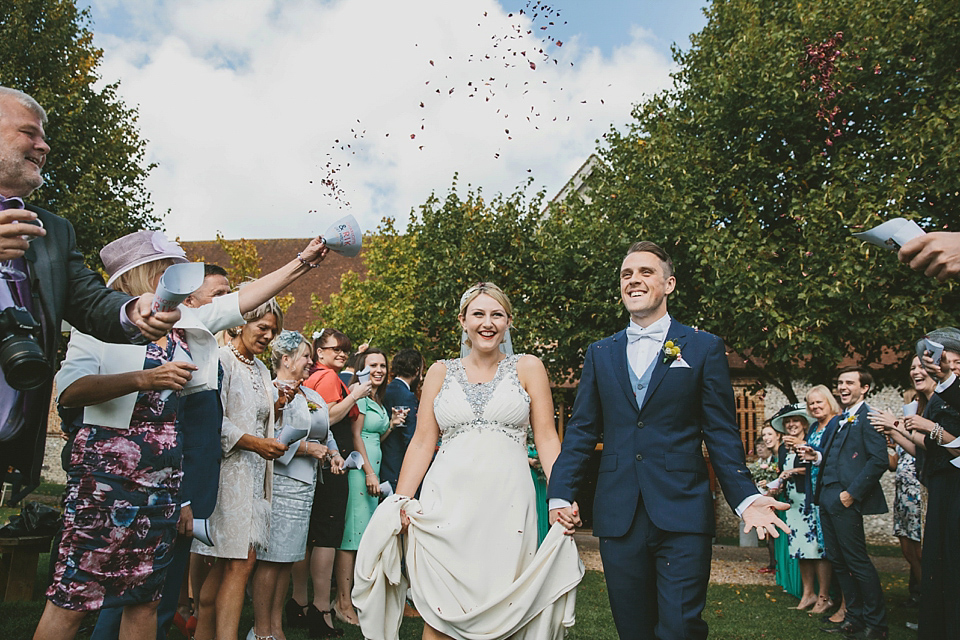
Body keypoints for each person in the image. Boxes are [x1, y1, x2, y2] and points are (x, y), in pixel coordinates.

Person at [547, 241, 787, 640]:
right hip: (618, 512)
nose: (634, 280)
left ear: (669, 283)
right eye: (627, 274)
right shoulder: (600, 353)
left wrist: (745, 498)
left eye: (645, 272)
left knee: (680, 626)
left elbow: (722, 432)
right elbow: (583, 430)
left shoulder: (703, 346)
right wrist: (560, 494)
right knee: (633, 629)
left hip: (683, 510)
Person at [32, 239, 244, 640]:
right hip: (107, 482)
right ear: (141, 275)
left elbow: (239, 301)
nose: (173, 279)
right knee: (74, 599)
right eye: (165, 268)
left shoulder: (179, 326)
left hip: (161, 484)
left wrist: (306, 260)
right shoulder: (94, 325)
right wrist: (145, 378)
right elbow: (69, 390)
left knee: (146, 601)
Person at [353, 282, 583, 640]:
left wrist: (561, 496)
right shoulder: (440, 372)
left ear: (508, 321)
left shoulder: (528, 367)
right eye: (478, 314)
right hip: (446, 504)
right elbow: (422, 441)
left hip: (507, 504)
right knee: (441, 614)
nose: (487, 323)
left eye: (496, 314)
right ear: (463, 321)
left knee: (501, 609)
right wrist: (401, 499)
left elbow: (548, 438)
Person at [0, 86, 180, 492]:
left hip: (9, 442)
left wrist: (135, 311)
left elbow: (89, 300)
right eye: (30, 132)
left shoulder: (53, 231)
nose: (43, 145)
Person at [89, 265, 233, 640]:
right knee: (134, 595)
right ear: (191, 301)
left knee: (162, 598)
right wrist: (182, 497)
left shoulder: (200, 345)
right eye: (218, 294)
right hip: (163, 487)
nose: (226, 303)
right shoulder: (159, 347)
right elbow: (173, 426)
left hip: (191, 486)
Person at [191, 298, 289, 640]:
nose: (267, 336)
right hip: (227, 475)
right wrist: (254, 443)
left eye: (273, 331)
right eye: (262, 328)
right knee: (239, 563)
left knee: (227, 566)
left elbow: (256, 414)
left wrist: (274, 408)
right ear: (240, 323)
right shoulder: (220, 361)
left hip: (254, 479)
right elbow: (209, 421)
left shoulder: (261, 369)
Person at [250, 330, 343, 640]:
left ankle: (277, 628)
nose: (310, 361)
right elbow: (268, 440)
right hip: (280, 484)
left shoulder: (312, 395)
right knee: (270, 560)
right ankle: (262, 630)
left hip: (306, 488)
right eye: (305, 356)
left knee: (287, 560)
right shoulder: (270, 393)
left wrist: (334, 453)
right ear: (286, 359)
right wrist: (306, 449)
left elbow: (325, 433)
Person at [290, 328, 372, 637]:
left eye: (345, 350)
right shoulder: (325, 377)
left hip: (320, 461)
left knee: (311, 535)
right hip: (331, 464)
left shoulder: (319, 376)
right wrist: (354, 395)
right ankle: (321, 610)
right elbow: (325, 420)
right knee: (326, 535)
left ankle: (299, 603)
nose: (341, 354)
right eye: (334, 348)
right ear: (319, 351)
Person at [799, 367, 889, 639]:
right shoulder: (841, 420)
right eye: (839, 382)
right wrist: (816, 456)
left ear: (865, 388)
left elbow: (879, 460)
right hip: (826, 497)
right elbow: (834, 457)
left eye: (850, 382)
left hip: (845, 499)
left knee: (856, 561)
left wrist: (851, 493)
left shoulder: (868, 418)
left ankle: (877, 623)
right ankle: (854, 618)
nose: (843, 387)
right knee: (838, 561)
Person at [898, 329, 960, 639]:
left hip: (952, 482)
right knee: (940, 563)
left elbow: (956, 447)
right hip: (941, 485)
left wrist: (930, 428)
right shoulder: (939, 398)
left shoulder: (946, 397)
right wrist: (897, 431)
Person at [336, 348, 406, 622]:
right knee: (350, 539)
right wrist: (368, 473)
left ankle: (355, 597)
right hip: (359, 473)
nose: (379, 370)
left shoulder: (376, 398)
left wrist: (392, 425)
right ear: (362, 368)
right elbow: (356, 437)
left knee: (363, 537)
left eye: (382, 365)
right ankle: (342, 602)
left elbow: (374, 436)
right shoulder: (361, 396)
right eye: (372, 365)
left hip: (372, 472)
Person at [869, 359, 930, 610]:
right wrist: (889, 437)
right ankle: (922, 597)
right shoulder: (907, 425)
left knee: (921, 551)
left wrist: (896, 426)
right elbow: (895, 463)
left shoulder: (923, 421)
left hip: (919, 492)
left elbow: (924, 451)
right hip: (903, 494)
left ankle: (929, 600)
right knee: (908, 551)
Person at [769, 403, 831, 611]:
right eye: (787, 422)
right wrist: (777, 485)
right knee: (800, 550)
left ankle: (824, 595)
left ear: (804, 423)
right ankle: (808, 594)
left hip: (810, 501)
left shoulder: (809, 444)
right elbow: (783, 473)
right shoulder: (782, 449)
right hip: (792, 503)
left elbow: (816, 468)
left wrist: (794, 469)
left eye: (795, 420)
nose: (791, 424)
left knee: (816, 549)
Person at [803, 385, 840, 617]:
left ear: (829, 402)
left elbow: (833, 457)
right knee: (820, 546)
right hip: (815, 492)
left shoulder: (836, 424)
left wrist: (814, 455)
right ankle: (823, 595)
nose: (815, 407)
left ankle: (829, 596)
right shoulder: (814, 427)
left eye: (819, 402)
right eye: (811, 404)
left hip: (831, 491)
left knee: (831, 546)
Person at [380, 349, 422, 493]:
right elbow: (409, 436)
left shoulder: (386, 390)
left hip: (385, 459)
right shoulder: (406, 396)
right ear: (417, 371)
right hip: (397, 463)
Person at [749, 428, 780, 575]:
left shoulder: (774, 462)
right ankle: (772, 563)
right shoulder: (757, 464)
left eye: (762, 446)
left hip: (775, 501)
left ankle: (776, 564)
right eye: (757, 447)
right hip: (762, 502)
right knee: (768, 538)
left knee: (774, 537)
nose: (760, 449)